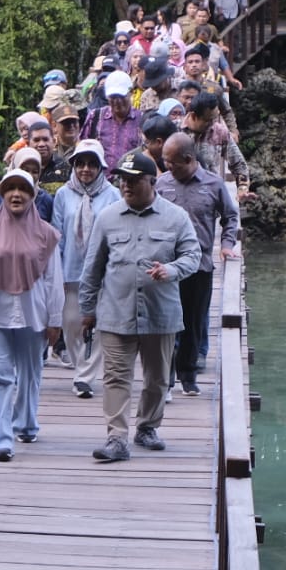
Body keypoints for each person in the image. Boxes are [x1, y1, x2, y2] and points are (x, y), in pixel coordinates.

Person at [78, 152, 201, 463]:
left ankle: (147, 427)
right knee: (116, 377)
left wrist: (171, 270)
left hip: (161, 314)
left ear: (151, 181)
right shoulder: (107, 218)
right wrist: (87, 310)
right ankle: (116, 438)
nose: (126, 186)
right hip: (116, 313)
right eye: (122, 180)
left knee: (157, 378)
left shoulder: (176, 217)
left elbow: (192, 255)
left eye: (133, 180)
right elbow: (92, 268)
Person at [0, 168, 64, 462]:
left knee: (31, 372)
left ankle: (26, 423)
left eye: (23, 189)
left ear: (33, 195)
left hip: (33, 314)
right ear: (2, 194)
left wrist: (54, 319)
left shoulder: (46, 234)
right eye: (10, 188)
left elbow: (53, 279)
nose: (16, 194)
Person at [156, 133, 240, 397]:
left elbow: (230, 216)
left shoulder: (214, 185)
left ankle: (188, 375)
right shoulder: (162, 184)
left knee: (193, 322)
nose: (167, 166)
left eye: (172, 161)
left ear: (189, 159)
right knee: (168, 323)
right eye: (165, 161)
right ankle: (166, 378)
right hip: (167, 266)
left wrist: (226, 245)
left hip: (200, 265)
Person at [51, 139, 122, 399]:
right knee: (70, 322)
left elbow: (116, 232)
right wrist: (55, 271)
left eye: (92, 164)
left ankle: (84, 376)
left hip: (102, 271)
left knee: (99, 325)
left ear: (101, 167)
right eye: (80, 163)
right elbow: (57, 233)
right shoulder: (63, 194)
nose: (85, 169)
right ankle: (79, 363)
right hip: (70, 267)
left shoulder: (112, 195)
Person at [82, 71, 143, 179]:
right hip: (99, 183)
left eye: (121, 96)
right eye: (113, 97)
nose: (117, 101)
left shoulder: (141, 119)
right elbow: (83, 148)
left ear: (130, 93)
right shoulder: (95, 117)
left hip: (131, 183)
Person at [0, 147, 55, 221]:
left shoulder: (45, 200)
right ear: (15, 168)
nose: (30, 175)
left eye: (35, 171)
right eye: (25, 170)